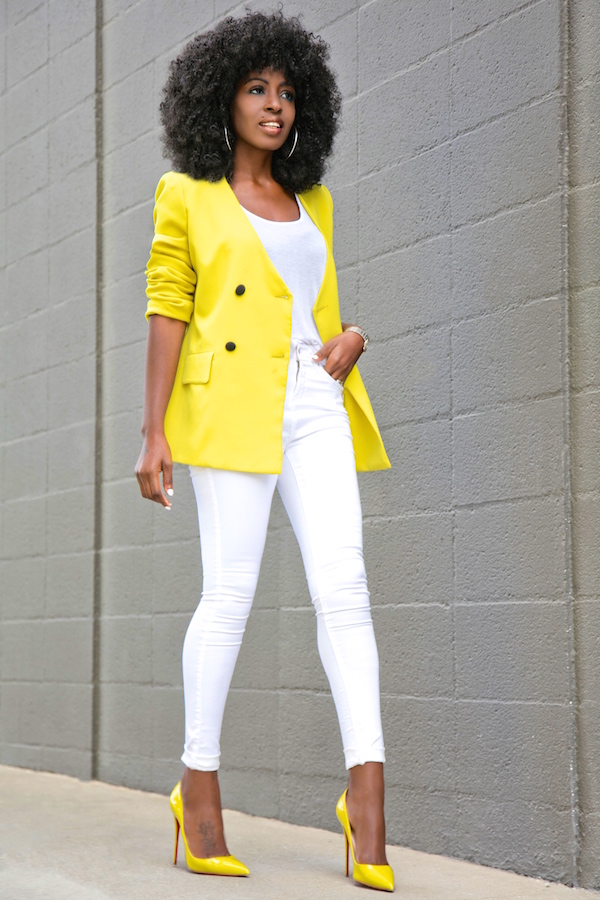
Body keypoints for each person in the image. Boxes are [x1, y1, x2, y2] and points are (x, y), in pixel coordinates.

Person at [134, 10, 393, 892]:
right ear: (221, 99)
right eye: (257, 89)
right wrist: (153, 430)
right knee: (232, 592)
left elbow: (311, 311)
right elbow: (169, 305)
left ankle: (367, 800)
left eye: (287, 92)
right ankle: (198, 786)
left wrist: (352, 332)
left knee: (345, 590)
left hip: (314, 401)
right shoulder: (188, 194)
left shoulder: (313, 201)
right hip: (230, 406)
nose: (275, 105)